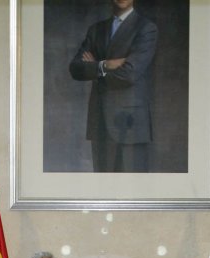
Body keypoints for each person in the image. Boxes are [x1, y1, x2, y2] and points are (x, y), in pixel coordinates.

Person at [67, 0, 158, 172]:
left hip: (131, 125)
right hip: (100, 121)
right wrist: (105, 64)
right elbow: (75, 68)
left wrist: (94, 68)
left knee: (133, 192)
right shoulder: (96, 30)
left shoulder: (146, 28)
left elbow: (129, 74)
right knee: (102, 191)